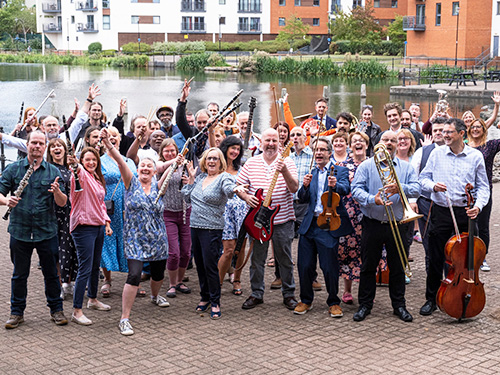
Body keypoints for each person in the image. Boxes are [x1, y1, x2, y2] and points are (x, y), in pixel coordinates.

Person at [100, 128, 170, 336]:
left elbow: (172, 165)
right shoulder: (130, 183)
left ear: (155, 171)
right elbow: (121, 162)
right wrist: (108, 145)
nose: (146, 168)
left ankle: (155, 296)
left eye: (150, 166)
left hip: (158, 239)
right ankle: (124, 318)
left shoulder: (159, 186)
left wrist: (178, 162)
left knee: (158, 273)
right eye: (143, 166)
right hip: (135, 240)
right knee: (134, 275)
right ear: (138, 170)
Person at [419, 118, 490, 316]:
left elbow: (483, 186)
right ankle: (431, 299)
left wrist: (478, 206)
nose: (445, 135)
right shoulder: (436, 153)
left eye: (449, 132)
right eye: (443, 132)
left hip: (466, 213)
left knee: (467, 259)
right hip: (442, 211)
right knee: (435, 257)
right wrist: (433, 186)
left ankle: (465, 292)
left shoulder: (475, 156)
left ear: (461, 133)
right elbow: (423, 178)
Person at [0, 130, 69, 329]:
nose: (37, 147)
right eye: (34, 143)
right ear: (27, 145)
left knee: (51, 274)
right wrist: (7, 201)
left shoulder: (53, 171)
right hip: (20, 230)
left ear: (44, 146)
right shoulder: (14, 170)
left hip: (46, 231)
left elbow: (63, 203)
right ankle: (16, 313)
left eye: (40, 143)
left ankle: (56, 310)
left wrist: (57, 193)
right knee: (19, 275)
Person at [351, 131, 420, 322]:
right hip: (372, 223)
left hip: (397, 224)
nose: (389, 143)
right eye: (385, 140)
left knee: (397, 267)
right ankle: (365, 304)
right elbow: (355, 190)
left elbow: (417, 188)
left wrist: (401, 188)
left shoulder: (406, 168)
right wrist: (373, 199)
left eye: (393, 141)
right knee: (367, 266)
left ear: (398, 144)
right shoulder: (366, 166)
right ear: (378, 143)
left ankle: (399, 305)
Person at [236, 128, 299, 311]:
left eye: (274, 140)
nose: (271, 143)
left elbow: (294, 188)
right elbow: (238, 186)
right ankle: (256, 293)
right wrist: (246, 197)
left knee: (285, 259)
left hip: (282, 219)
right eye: (267, 140)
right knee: (257, 259)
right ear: (260, 142)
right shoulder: (251, 163)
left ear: (280, 143)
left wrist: (285, 171)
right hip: (258, 221)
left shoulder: (288, 161)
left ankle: (289, 294)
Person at [294, 137, 352, 317]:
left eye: (322, 150)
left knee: (329, 267)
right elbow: (302, 198)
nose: (318, 153)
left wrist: (336, 185)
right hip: (310, 224)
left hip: (328, 224)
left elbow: (346, 189)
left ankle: (333, 301)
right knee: (304, 265)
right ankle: (305, 300)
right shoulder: (310, 173)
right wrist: (303, 186)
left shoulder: (339, 170)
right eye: (316, 150)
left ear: (329, 152)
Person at [182, 147, 242, 320]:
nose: (212, 161)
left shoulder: (224, 177)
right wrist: (191, 180)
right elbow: (186, 198)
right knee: (200, 265)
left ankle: (215, 301)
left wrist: (237, 190)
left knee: (210, 266)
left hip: (212, 229)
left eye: (215, 158)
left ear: (220, 161)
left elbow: (230, 189)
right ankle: (205, 297)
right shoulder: (200, 177)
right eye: (209, 158)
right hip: (195, 227)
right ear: (204, 161)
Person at [69, 147, 112, 326]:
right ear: (81, 161)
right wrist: (76, 164)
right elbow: (78, 169)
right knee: (85, 268)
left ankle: (93, 299)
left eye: (94, 160)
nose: (91, 163)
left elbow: (101, 203)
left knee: (95, 266)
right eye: (87, 160)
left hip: (98, 225)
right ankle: (76, 311)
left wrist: (107, 222)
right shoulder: (80, 176)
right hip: (84, 226)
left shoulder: (95, 178)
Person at [99, 126, 138, 298]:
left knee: (130, 242)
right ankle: (107, 280)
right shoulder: (99, 160)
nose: (113, 138)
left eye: (115, 135)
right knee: (108, 241)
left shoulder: (128, 161)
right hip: (109, 206)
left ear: (120, 139)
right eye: (110, 136)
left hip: (128, 207)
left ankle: (133, 281)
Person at [337, 131, 369, 304]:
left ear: (366, 144)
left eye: (361, 141)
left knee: (367, 253)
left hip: (369, 215)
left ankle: (365, 291)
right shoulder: (342, 165)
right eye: (354, 141)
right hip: (348, 216)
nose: (358, 143)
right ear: (350, 146)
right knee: (347, 253)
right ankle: (347, 290)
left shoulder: (374, 164)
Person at [158, 138, 192, 298]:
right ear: (162, 153)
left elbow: (194, 184)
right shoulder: (160, 166)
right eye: (167, 151)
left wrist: (189, 181)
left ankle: (179, 281)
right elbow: (159, 187)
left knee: (186, 251)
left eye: (173, 150)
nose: (170, 153)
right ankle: (171, 284)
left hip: (185, 213)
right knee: (174, 253)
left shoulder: (186, 164)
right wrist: (172, 165)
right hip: (168, 213)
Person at [411, 118, 446, 273]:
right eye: (435, 130)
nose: (438, 133)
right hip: (426, 202)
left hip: (447, 205)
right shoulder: (422, 151)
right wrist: (413, 200)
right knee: (429, 243)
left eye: (441, 130)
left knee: (448, 244)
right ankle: (433, 283)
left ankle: (449, 280)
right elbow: (414, 178)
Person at [46, 138, 78, 299]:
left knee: (69, 248)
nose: (57, 148)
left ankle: (69, 282)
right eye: (53, 147)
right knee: (57, 250)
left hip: (69, 212)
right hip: (53, 213)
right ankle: (59, 283)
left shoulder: (69, 169)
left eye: (60, 146)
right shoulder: (48, 169)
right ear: (50, 151)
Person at [466, 118, 499, 272]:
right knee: (467, 225)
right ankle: (467, 255)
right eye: (473, 127)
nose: (476, 129)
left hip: (484, 190)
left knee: (483, 225)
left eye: (479, 127)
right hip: (466, 191)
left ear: (484, 129)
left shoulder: (490, 146)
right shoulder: (464, 147)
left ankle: (482, 257)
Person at [217, 136, 247, 296]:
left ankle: (237, 279)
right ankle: (218, 283)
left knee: (241, 247)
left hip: (242, 212)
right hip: (224, 212)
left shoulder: (242, 169)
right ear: (226, 148)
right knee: (228, 250)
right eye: (232, 148)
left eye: (238, 149)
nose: (235, 151)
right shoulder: (218, 167)